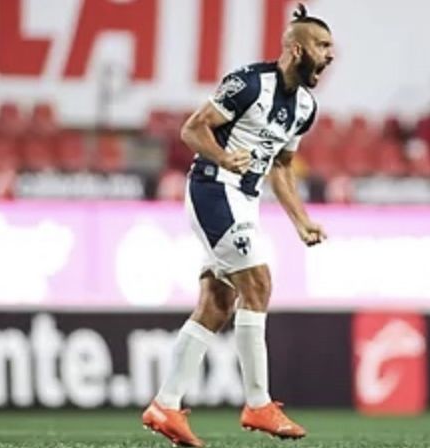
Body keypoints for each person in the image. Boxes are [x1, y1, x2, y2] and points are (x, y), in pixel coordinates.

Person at [141, 4, 334, 446]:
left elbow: (281, 166)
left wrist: (301, 220)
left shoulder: (305, 106)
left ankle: (165, 405)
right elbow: (193, 129)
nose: (329, 55)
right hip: (213, 188)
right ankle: (258, 402)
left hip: (245, 201)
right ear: (297, 49)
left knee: (218, 302)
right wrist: (224, 157)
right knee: (258, 283)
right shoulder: (249, 83)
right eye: (322, 46)